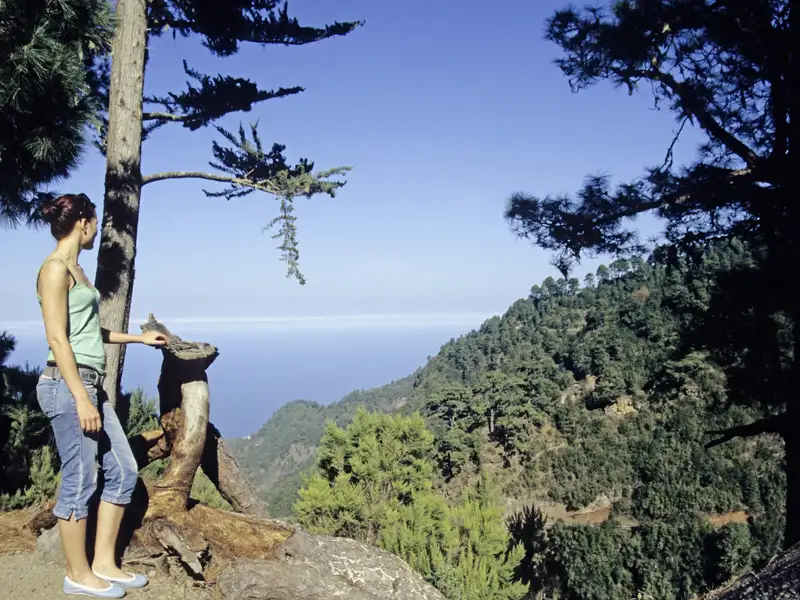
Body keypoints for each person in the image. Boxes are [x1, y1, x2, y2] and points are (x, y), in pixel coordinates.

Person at [35, 193, 167, 598]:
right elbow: (57, 339)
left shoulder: (77, 270)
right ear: (84, 223)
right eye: (94, 222)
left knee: (124, 471)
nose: (96, 229)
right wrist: (80, 397)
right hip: (67, 385)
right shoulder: (55, 270)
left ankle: (104, 563)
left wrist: (139, 339)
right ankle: (77, 575)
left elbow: (92, 333)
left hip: (90, 385)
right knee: (80, 478)